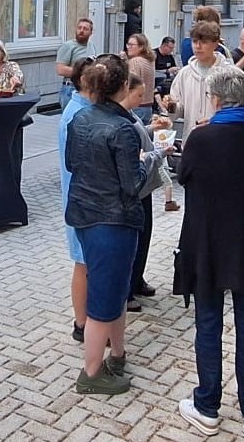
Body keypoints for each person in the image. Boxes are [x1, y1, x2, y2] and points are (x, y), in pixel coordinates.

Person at [172, 66, 244, 436]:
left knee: (208, 321)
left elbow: (184, 175)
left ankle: (208, 405)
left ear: (216, 99)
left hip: (207, 240)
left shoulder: (202, 137)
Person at [65, 55, 150, 396]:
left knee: (113, 288)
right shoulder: (123, 129)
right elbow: (132, 184)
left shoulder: (79, 118)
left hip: (85, 214)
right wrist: (148, 161)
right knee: (105, 296)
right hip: (113, 220)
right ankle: (92, 372)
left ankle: (117, 354)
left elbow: (73, 162)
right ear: (122, 88)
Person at [116, 69, 168, 314]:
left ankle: (137, 279)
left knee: (145, 236)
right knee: (134, 240)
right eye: (138, 95)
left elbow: (140, 136)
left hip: (145, 186)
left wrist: (152, 128)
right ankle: (125, 291)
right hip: (136, 187)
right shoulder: (121, 120)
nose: (141, 100)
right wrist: (160, 153)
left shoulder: (130, 115)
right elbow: (137, 157)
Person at [58, 57, 95, 342]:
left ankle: (87, 319)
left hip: (83, 198)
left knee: (87, 263)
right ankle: (81, 323)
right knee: (82, 263)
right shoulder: (77, 115)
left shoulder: (85, 109)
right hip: (81, 200)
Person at [164, 21, 224, 140]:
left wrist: (215, 121)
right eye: (195, 41)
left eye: (204, 42)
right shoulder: (184, 74)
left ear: (215, 44)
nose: (198, 46)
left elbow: (237, 111)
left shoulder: (228, 73)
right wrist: (171, 106)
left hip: (219, 141)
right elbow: (178, 113)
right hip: (191, 141)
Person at [55, 17, 97, 106]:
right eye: (79, 28)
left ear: (91, 32)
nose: (81, 31)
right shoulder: (68, 46)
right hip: (71, 88)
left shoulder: (91, 45)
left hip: (87, 89)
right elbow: (60, 69)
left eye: (85, 29)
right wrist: (83, 72)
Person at [124, 34, 158, 124]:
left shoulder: (135, 61)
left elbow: (132, 84)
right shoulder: (150, 61)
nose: (128, 47)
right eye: (128, 44)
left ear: (141, 47)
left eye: (132, 45)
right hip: (148, 106)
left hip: (136, 106)